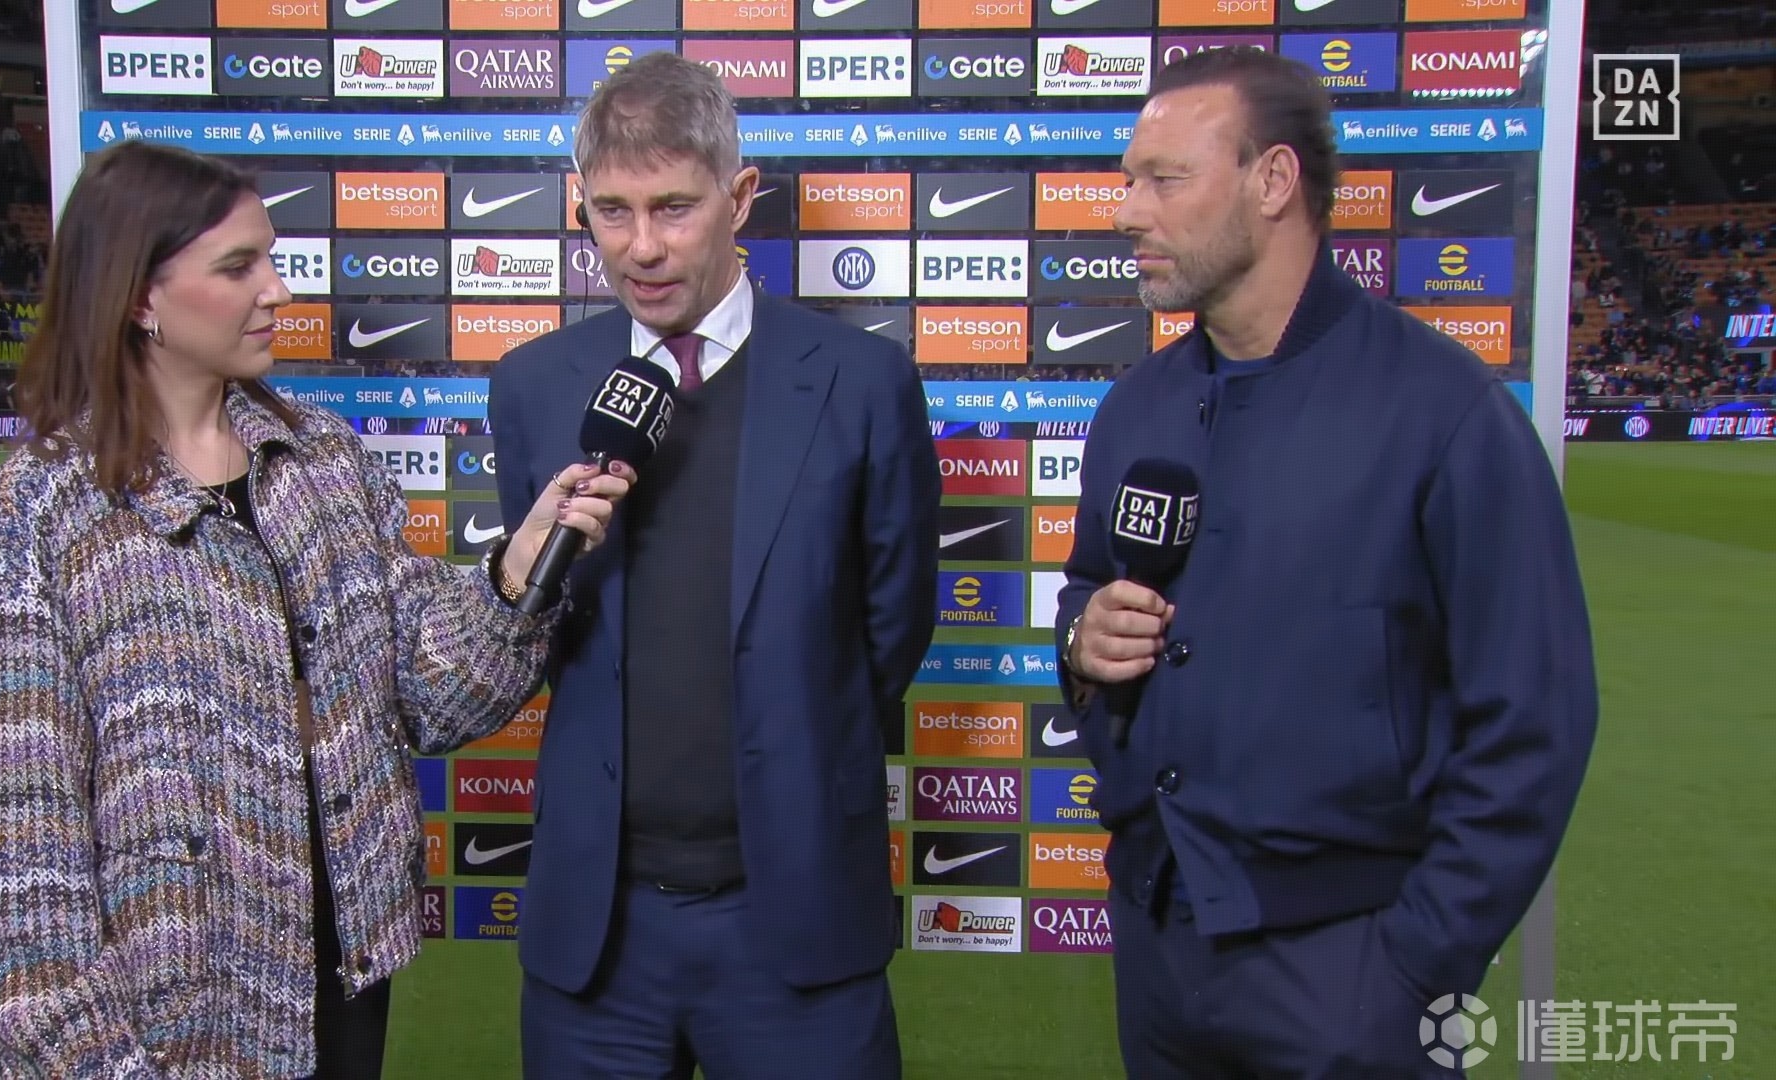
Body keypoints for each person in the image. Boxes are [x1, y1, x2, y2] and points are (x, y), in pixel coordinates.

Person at [0, 141, 633, 1080]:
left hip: (346, 982)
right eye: (238, 267)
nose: (279, 290)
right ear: (140, 296)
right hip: (159, 1024)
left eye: (270, 257)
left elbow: (433, 698)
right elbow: (10, 853)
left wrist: (518, 571)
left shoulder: (324, 461)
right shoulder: (46, 508)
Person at [1054, 48, 1597, 1077]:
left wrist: (1417, 964)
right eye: (1129, 180)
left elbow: (1535, 718)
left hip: (1354, 974)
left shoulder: (1443, 411)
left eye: (1164, 179)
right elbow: (1086, 595)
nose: (1126, 212)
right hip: (1161, 952)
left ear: (1273, 181)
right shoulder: (1137, 409)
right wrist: (1083, 639)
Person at [489, 51, 939, 1080]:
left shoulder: (864, 382)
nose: (641, 247)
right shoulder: (534, 385)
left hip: (795, 921)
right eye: (611, 211)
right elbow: (534, 626)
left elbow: (891, 631)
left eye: (674, 208)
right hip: (597, 934)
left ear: (739, 199)